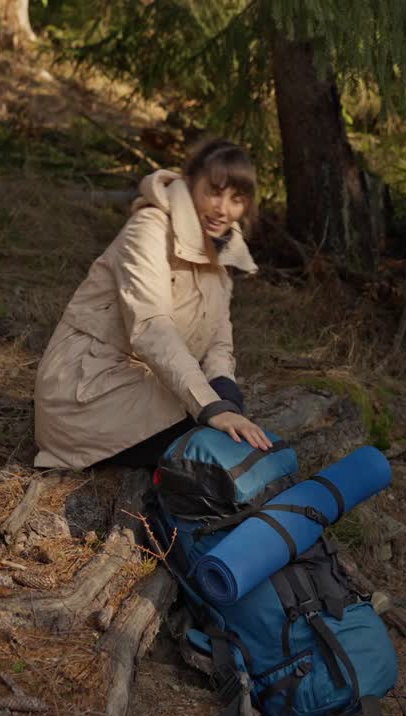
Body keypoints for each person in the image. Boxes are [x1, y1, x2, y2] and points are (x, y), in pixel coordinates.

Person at [32, 139, 273, 470]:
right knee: (218, 450)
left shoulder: (224, 247)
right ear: (190, 182)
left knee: (236, 446)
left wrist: (227, 400)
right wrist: (210, 408)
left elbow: (219, 341)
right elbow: (151, 328)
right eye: (214, 192)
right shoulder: (149, 229)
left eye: (237, 199)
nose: (223, 209)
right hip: (85, 395)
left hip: (144, 386)